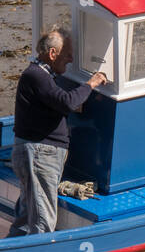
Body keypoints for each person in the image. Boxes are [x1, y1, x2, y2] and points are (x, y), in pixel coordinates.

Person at [7, 28, 106, 236]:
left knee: (26, 218)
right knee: (42, 222)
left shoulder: (38, 76)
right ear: (53, 54)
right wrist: (91, 83)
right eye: (68, 54)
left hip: (32, 154)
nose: (70, 60)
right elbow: (67, 102)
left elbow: (58, 101)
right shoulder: (37, 76)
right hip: (39, 156)